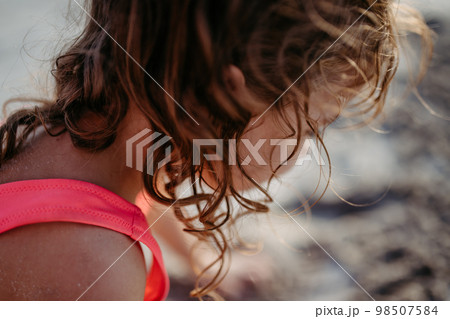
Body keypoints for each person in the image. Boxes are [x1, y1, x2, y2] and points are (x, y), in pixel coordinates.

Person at [0, 0, 432, 300]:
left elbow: (143, 194)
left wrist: (198, 257)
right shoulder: (92, 269)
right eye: (313, 124)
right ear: (229, 91)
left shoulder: (72, 139)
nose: (303, 152)